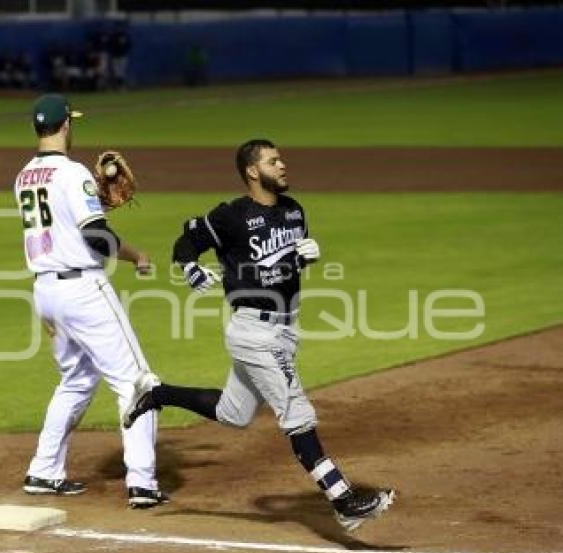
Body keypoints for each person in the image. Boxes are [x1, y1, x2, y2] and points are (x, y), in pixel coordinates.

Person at [124, 139, 395, 531]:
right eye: (273, 161)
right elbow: (188, 241)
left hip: (285, 329)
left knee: (233, 414)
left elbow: (285, 269)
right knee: (297, 413)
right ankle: (343, 500)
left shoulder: (294, 212)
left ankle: (156, 393)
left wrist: (301, 258)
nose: (283, 165)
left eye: (281, 158)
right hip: (255, 331)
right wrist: (188, 266)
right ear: (253, 171)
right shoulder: (232, 215)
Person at [16, 94, 167, 509]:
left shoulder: (24, 176)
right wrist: (136, 254)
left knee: (77, 379)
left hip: (45, 289)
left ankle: (44, 471)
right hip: (82, 289)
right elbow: (95, 236)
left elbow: (65, 222)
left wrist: (93, 204)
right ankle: (142, 482)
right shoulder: (73, 172)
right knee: (138, 382)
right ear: (66, 125)